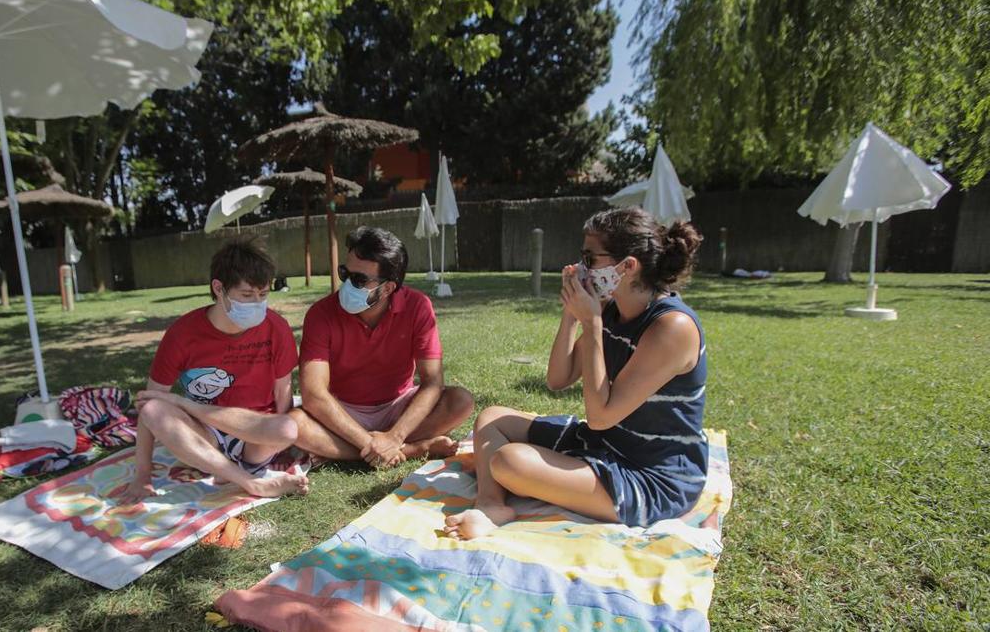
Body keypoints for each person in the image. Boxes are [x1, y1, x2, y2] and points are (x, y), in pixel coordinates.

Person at [444, 207, 707, 539]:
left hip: (652, 474)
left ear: (627, 266)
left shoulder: (672, 327)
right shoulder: (613, 310)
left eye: (589, 257)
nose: (581, 267)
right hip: (605, 444)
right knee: (492, 417)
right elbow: (558, 379)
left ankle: (507, 485)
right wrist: (572, 315)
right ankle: (491, 504)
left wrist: (592, 323)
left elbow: (600, 416)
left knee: (508, 462)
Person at [120, 238, 309, 502]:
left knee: (287, 428)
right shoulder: (182, 334)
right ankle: (251, 482)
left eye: (263, 295)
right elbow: (149, 406)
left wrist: (283, 447)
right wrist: (142, 476)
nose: (257, 304)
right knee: (153, 409)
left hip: (255, 432)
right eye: (246, 295)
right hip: (204, 437)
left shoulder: (276, 327)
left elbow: (283, 394)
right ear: (218, 288)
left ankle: (232, 469)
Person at [291, 226, 475, 468]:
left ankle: (351, 450)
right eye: (345, 273)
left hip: (398, 406)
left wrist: (394, 436)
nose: (346, 285)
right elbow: (314, 395)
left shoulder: (417, 306)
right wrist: (373, 442)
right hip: (343, 410)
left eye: (359, 280)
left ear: (388, 287)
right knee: (292, 425)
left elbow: (432, 382)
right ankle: (410, 450)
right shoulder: (321, 313)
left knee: (461, 401)